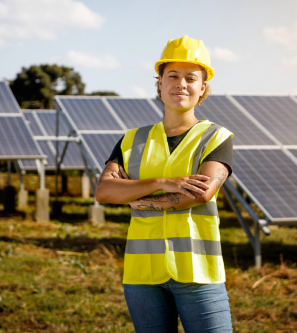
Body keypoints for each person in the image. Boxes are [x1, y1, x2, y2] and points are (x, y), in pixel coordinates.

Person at [95, 35, 234, 333]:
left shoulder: (216, 137)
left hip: (198, 273)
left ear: (203, 88)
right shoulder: (132, 139)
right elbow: (105, 191)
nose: (180, 84)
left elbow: (199, 194)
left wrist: (136, 196)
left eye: (190, 78)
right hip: (142, 275)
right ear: (159, 82)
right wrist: (164, 182)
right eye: (172, 75)